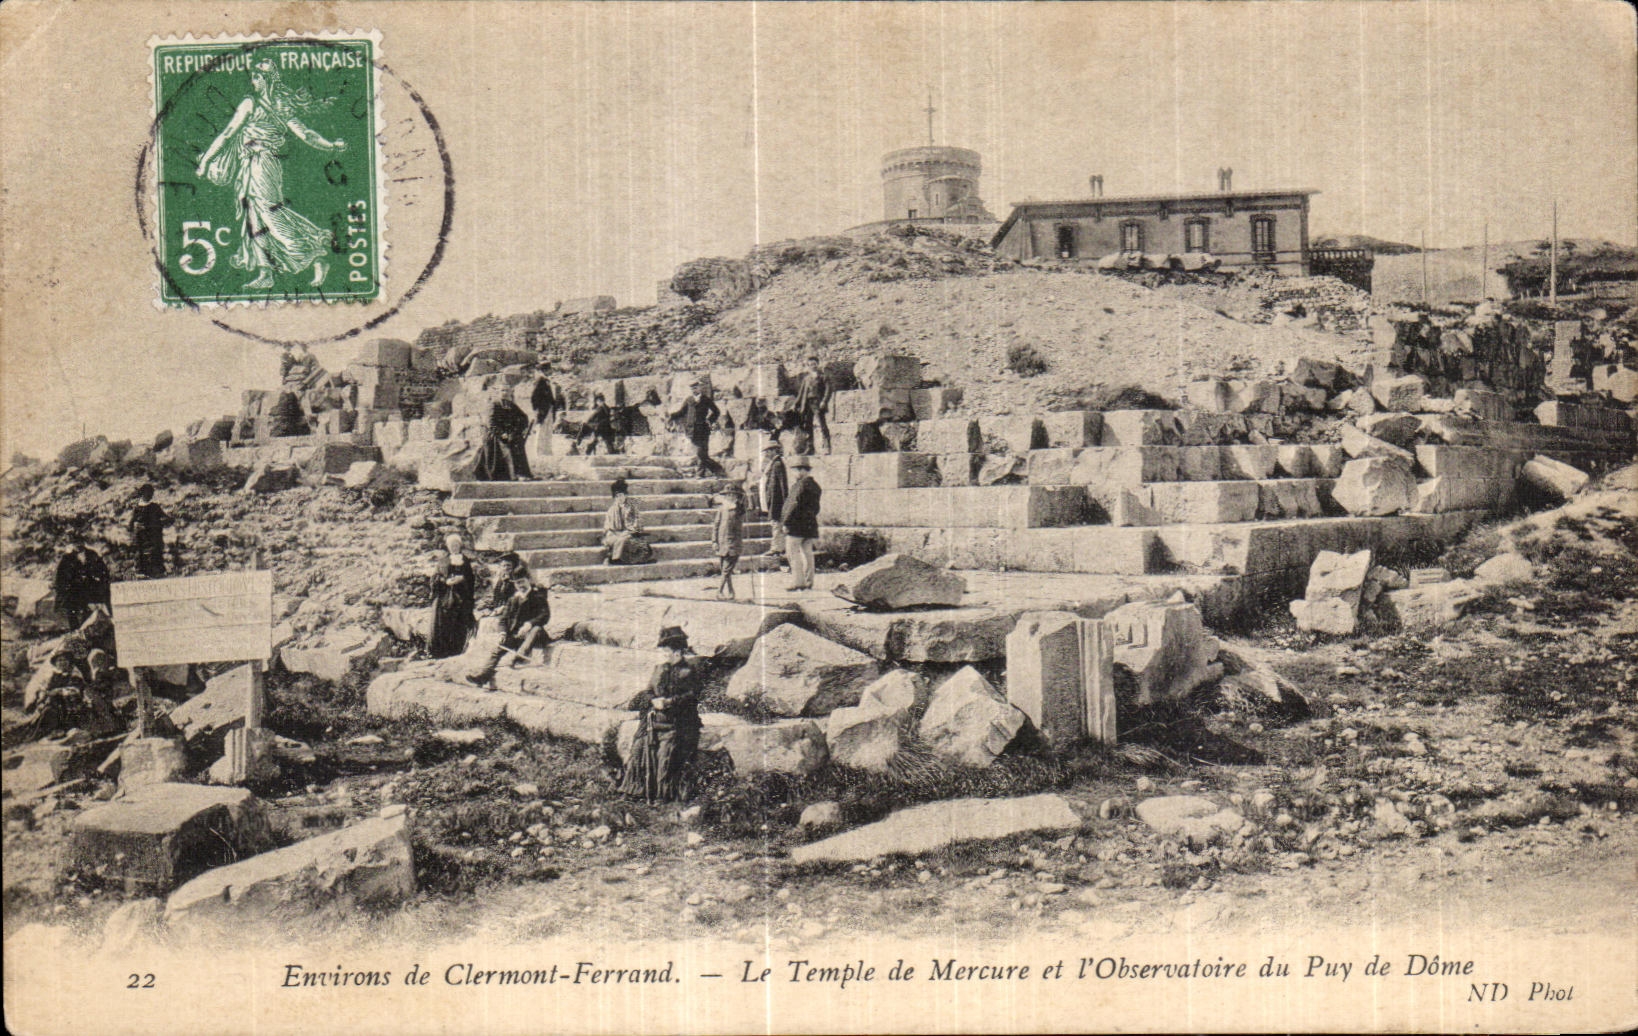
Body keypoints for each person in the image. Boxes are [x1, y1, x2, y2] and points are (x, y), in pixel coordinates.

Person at [194, 58, 348, 291]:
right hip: (252, 165)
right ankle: (266, 272)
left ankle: (314, 256)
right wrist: (332, 145)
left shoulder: (254, 104)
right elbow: (306, 134)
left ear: (265, 80)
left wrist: (205, 161)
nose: (253, 81)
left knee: (269, 214)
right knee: (253, 216)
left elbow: (227, 134)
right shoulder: (277, 106)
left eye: (256, 77)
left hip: (262, 165)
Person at [619, 626, 704, 803]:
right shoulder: (659, 669)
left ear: (678, 652)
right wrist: (653, 701)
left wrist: (669, 702)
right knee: (638, 749)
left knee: (664, 757)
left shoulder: (689, 672)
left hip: (677, 723)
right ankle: (634, 791)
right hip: (654, 721)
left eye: (668, 650)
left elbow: (692, 696)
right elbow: (648, 691)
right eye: (664, 650)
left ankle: (661, 796)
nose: (665, 654)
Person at [466, 565, 551, 687]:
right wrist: (503, 633)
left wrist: (529, 624)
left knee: (536, 629)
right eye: (517, 583)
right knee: (497, 650)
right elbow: (503, 619)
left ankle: (519, 657)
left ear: (528, 580)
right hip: (516, 636)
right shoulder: (513, 599)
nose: (520, 585)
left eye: (522, 582)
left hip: (534, 636)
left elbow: (545, 615)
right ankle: (483, 675)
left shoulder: (538, 596)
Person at [429, 534, 477, 659]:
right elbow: (435, 577)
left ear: (460, 546)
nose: (454, 547)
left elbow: (471, 579)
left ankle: (458, 649)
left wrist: (462, 579)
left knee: (460, 621)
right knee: (445, 622)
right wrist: (445, 581)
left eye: (456, 545)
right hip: (446, 596)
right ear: (448, 547)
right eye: (451, 545)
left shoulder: (465, 561)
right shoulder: (443, 560)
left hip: (462, 595)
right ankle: (444, 651)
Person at [781, 454, 821, 591]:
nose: (794, 473)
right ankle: (809, 581)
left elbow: (793, 505)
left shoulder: (800, 486)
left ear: (802, 470)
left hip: (796, 525)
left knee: (792, 553)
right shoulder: (815, 486)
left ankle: (798, 582)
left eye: (796, 470)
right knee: (807, 553)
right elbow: (816, 508)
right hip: (809, 525)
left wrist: (786, 522)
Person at [53, 539, 111, 630]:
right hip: (74, 593)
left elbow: (103, 574)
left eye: (80, 542)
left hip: (91, 593)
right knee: (73, 612)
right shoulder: (67, 559)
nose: (78, 545)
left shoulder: (92, 555)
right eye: (75, 543)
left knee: (91, 617)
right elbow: (61, 579)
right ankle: (76, 632)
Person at [669, 379, 721, 476]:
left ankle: (700, 474)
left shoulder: (706, 399)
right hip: (691, 430)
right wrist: (671, 415)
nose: (694, 390)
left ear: (700, 388)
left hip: (703, 430)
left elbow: (716, 411)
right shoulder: (689, 400)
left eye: (696, 388)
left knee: (701, 452)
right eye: (692, 388)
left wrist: (709, 420)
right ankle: (717, 470)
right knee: (702, 454)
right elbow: (682, 412)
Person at [474, 395, 532, 481]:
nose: (505, 394)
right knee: (503, 446)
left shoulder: (512, 405)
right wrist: (502, 434)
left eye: (507, 391)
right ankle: (508, 475)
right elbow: (491, 424)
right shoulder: (493, 405)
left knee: (516, 441)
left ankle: (520, 473)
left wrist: (516, 430)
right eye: (503, 391)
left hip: (508, 433)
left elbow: (524, 418)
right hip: (494, 435)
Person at [602, 479, 654, 564]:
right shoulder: (611, 510)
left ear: (625, 495)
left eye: (622, 495)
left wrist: (631, 530)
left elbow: (637, 522)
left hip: (629, 533)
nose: (620, 498)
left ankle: (615, 558)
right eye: (617, 496)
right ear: (615, 498)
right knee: (615, 539)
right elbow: (607, 526)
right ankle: (615, 557)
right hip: (614, 533)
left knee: (625, 540)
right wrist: (610, 532)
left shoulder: (632, 508)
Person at [129, 484, 172, 579]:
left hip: (154, 534)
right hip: (142, 535)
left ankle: (156, 571)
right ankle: (142, 572)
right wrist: (133, 530)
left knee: (156, 551)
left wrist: (168, 520)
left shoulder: (155, 506)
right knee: (141, 553)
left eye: (151, 493)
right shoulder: (137, 508)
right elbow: (132, 521)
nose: (150, 495)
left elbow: (164, 516)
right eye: (149, 493)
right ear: (143, 494)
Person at [710, 482, 745, 601]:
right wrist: (714, 541)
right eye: (728, 495)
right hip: (722, 542)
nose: (730, 497)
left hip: (734, 543)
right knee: (725, 569)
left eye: (733, 495)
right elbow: (716, 525)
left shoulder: (738, 509)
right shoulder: (722, 509)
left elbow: (744, 510)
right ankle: (731, 591)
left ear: (736, 497)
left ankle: (719, 591)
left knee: (726, 569)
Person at [794, 353, 833, 454]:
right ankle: (810, 447)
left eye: (814, 364)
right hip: (807, 404)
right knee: (808, 425)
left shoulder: (823, 377)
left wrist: (824, 401)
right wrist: (796, 404)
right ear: (808, 366)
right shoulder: (806, 379)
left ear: (818, 364)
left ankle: (827, 446)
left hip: (818, 402)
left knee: (822, 424)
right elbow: (801, 393)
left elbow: (828, 390)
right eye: (810, 364)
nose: (813, 366)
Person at [757, 441, 788, 563]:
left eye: (769, 451)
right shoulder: (774, 464)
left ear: (775, 450)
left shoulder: (778, 465)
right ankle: (778, 547)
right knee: (775, 523)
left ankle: (777, 548)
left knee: (776, 524)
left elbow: (782, 484)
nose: (767, 453)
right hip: (773, 499)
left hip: (777, 500)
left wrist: (785, 501)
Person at [529, 369, 559, 434]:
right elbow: (534, 396)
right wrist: (537, 409)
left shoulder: (546, 380)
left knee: (547, 430)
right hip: (543, 410)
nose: (551, 371)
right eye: (549, 369)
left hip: (548, 409)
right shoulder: (540, 380)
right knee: (541, 430)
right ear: (545, 370)